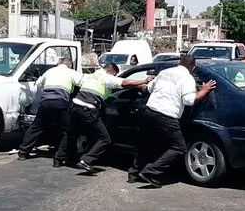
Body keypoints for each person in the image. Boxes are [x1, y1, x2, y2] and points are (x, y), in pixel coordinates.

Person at [128, 54, 216, 187]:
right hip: (166, 115)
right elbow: (189, 100)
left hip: (149, 111)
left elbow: (150, 88)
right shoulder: (187, 79)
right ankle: (151, 172)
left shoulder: (164, 72)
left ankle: (134, 174)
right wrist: (204, 90)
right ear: (193, 67)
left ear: (180, 62)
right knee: (179, 148)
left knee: (146, 143)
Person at [62, 63, 152, 173]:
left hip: (75, 107)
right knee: (104, 139)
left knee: (72, 134)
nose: (115, 77)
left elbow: (120, 86)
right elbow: (124, 82)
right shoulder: (107, 77)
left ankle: (62, 158)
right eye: (115, 75)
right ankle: (86, 160)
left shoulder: (90, 76)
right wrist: (144, 81)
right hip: (88, 109)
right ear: (111, 71)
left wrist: (137, 86)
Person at [17, 58, 83, 166]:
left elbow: (38, 83)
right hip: (61, 103)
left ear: (58, 64)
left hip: (46, 103)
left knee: (36, 127)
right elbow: (82, 83)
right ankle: (62, 156)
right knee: (68, 130)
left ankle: (23, 152)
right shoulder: (71, 73)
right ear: (69, 65)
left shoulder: (49, 71)